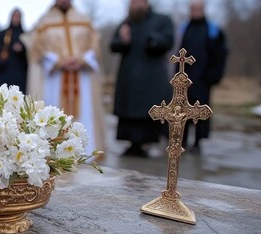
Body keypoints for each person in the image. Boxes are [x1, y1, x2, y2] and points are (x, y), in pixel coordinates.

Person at [25, 0, 105, 156]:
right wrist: (57, 61)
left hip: (82, 76)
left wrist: (82, 60)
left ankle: (85, 152)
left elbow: (95, 44)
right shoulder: (45, 22)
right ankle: (54, 153)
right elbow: (36, 48)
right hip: (54, 77)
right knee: (53, 112)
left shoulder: (83, 19)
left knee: (84, 114)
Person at [110, 0, 174, 157]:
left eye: (137, 2)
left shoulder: (162, 20)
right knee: (128, 110)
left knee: (148, 109)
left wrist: (151, 38)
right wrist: (123, 40)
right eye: (132, 3)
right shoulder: (126, 23)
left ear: (146, 3)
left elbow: (168, 40)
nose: (134, 6)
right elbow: (113, 45)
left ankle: (146, 142)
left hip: (151, 76)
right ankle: (131, 144)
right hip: (128, 75)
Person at [178, 0, 228, 153]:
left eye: (198, 9)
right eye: (193, 9)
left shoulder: (213, 30)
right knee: (182, 110)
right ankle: (182, 140)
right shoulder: (183, 28)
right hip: (184, 78)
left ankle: (198, 142)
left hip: (203, 77)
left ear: (203, 9)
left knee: (200, 110)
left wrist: (214, 75)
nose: (195, 12)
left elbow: (220, 54)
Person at [0, 8, 28, 93]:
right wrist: (0, 60)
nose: (16, 18)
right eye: (14, 16)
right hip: (4, 73)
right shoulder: (3, 35)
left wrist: (22, 50)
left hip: (19, 74)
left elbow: (30, 56)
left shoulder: (25, 36)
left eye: (18, 16)